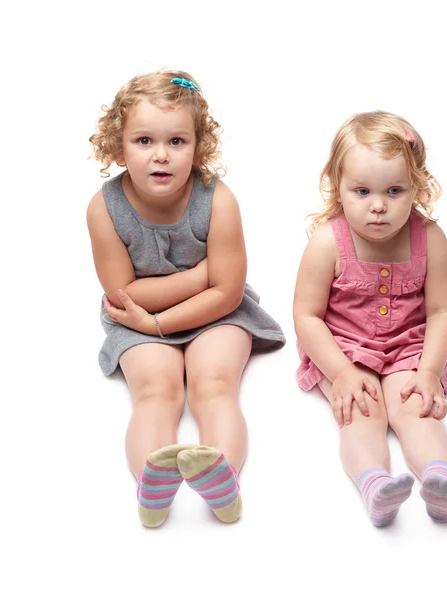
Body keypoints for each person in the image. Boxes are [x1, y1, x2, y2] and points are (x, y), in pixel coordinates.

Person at [87, 70, 285, 527]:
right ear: (118, 147)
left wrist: (161, 320)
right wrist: (199, 277)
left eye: (177, 141)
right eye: (143, 141)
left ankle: (224, 478)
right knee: (156, 391)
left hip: (215, 315)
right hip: (135, 317)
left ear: (198, 147)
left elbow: (229, 290)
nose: (161, 155)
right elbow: (123, 292)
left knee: (213, 384)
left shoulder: (218, 200)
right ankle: (151, 483)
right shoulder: (104, 207)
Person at [293, 111, 447, 526]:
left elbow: (443, 311)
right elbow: (307, 316)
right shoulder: (327, 242)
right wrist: (342, 372)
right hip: (345, 348)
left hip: (409, 347)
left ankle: (440, 478)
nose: (379, 206)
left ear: (417, 187)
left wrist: (428, 371)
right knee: (362, 413)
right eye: (362, 191)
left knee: (415, 409)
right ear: (337, 186)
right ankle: (375, 484)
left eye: (395, 190)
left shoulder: (431, 239)